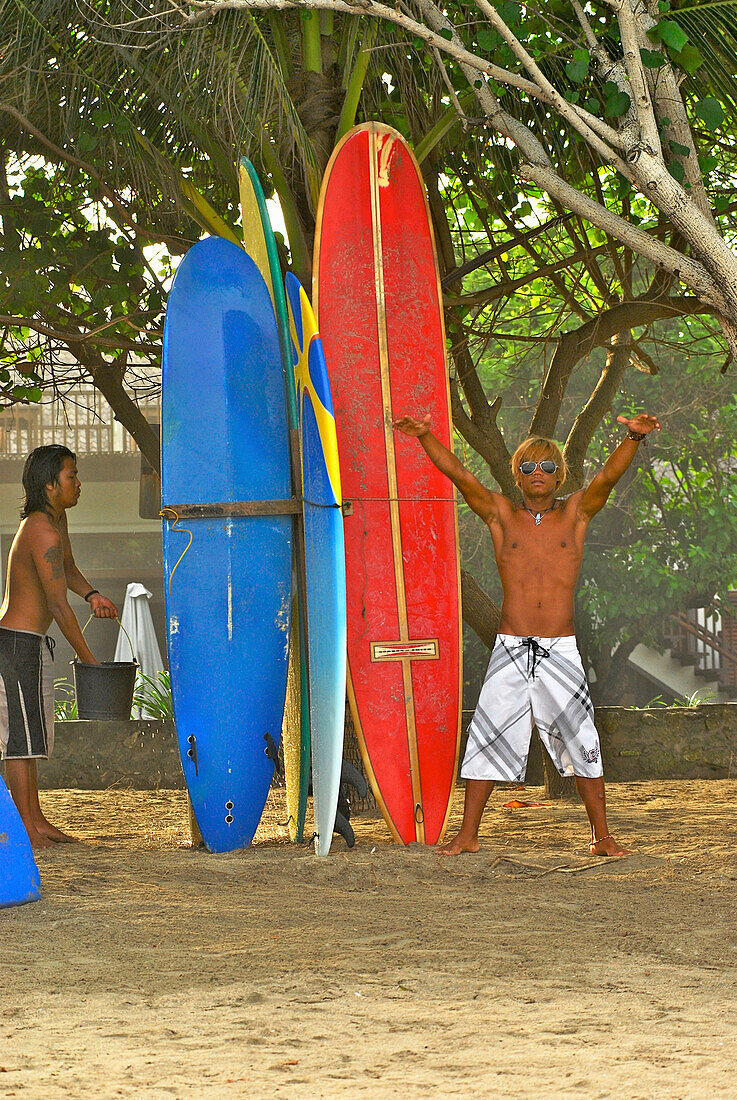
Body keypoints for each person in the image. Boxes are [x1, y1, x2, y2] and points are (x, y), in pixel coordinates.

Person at [392, 412, 661, 857]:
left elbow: (608, 477)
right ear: (517, 475)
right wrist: (425, 437)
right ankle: (468, 834)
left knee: (582, 737)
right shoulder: (501, 515)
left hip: (561, 649)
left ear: (560, 476)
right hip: (511, 648)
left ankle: (602, 837)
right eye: (530, 467)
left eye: (549, 467)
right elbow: (459, 474)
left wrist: (633, 436)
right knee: (487, 732)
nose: (540, 474)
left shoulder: (575, 514)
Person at [0, 445, 117, 847]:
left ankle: (37, 821)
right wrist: (89, 660)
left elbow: (66, 570)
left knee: (32, 737)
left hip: (28, 645)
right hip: (14, 645)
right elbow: (55, 604)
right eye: (72, 476)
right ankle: (27, 829)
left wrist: (93, 595)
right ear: (50, 484)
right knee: (19, 740)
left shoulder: (56, 521)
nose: (79, 483)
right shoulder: (41, 530)